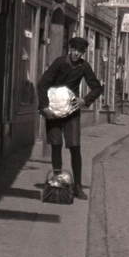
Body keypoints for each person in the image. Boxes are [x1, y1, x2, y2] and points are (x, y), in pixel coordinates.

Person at [38, 36, 102, 200]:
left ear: (83, 53)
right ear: (70, 49)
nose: (76, 54)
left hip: (72, 112)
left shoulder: (84, 66)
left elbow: (97, 87)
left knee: (75, 147)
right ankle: (57, 183)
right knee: (56, 145)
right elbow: (42, 84)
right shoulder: (59, 63)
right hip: (53, 110)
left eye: (79, 51)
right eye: (74, 50)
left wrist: (85, 101)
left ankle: (77, 187)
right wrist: (44, 107)